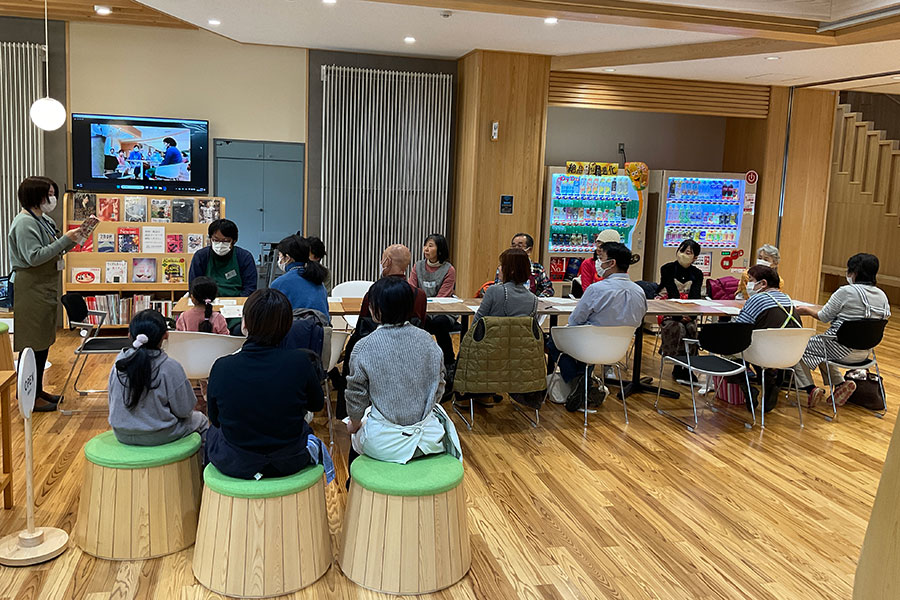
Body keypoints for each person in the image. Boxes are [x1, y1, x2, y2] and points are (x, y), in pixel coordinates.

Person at [206, 289, 326, 479]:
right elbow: (316, 404)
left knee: (212, 432)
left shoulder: (222, 366)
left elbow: (215, 418)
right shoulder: (300, 362)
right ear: (287, 326)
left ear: (245, 323)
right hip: (290, 459)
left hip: (237, 462)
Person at [346, 276, 459, 465]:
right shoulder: (428, 341)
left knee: (355, 437)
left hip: (384, 443)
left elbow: (356, 396)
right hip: (430, 439)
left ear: (375, 309)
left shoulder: (364, 346)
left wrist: (354, 424)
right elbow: (439, 385)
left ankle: (356, 488)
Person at [8, 177, 83, 411]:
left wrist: (76, 238)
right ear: (36, 196)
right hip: (30, 287)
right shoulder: (23, 223)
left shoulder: (44, 220)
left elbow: (55, 247)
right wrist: (64, 240)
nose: (52, 198)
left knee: (43, 341)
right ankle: (27, 394)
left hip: (45, 284)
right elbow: (34, 256)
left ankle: (38, 390)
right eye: (48, 194)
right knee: (31, 343)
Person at [546, 242, 646, 410]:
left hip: (588, 346)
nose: (598, 263)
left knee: (552, 342)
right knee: (584, 346)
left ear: (611, 263)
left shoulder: (597, 289)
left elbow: (575, 320)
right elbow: (639, 320)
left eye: (601, 259)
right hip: (617, 350)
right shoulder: (639, 291)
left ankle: (581, 382)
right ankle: (586, 385)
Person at [792, 253, 891, 408]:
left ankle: (810, 389)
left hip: (840, 347)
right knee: (821, 347)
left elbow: (824, 316)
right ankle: (840, 385)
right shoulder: (882, 296)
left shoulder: (846, 291)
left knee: (796, 347)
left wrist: (806, 309)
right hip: (866, 352)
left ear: (855, 272)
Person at [108, 309, 209, 449]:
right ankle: (202, 466)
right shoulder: (170, 367)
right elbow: (185, 410)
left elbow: (112, 400)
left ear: (130, 335)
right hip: (159, 434)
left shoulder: (118, 364)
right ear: (165, 335)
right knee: (202, 420)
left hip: (121, 433)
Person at [732, 265, 800, 412]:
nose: (749, 284)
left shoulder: (757, 299)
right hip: (789, 355)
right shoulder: (788, 299)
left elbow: (739, 328)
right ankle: (770, 384)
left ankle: (749, 388)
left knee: (730, 351)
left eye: (751, 280)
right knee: (761, 345)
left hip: (763, 353)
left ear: (763, 283)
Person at [189, 219, 257, 334]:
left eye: (225, 241)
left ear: (234, 241)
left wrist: (237, 303)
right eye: (216, 240)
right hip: (206, 306)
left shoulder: (244, 257)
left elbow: (250, 288)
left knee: (238, 331)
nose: (220, 245)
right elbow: (193, 286)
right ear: (210, 239)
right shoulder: (201, 256)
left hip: (236, 310)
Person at [658, 239, 704, 383]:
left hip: (688, 310)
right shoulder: (667, 269)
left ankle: (689, 366)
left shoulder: (697, 273)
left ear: (695, 257)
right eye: (682, 250)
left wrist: (690, 316)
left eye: (688, 252)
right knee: (678, 327)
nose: (683, 254)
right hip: (668, 309)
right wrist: (679, 316)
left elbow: (695, 296)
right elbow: (672, 293)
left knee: (691, 327)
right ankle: (677, 363)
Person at [409, 233, 457, 365]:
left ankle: (449, 362)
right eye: (425, 245)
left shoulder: (449, 270)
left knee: (439, 323)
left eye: (430, 246)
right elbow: (412, 290)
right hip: (422, 310)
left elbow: (443, 296)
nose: (426, 249)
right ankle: (416, 361)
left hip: (443, 311)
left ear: (440, 249)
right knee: (414, 322)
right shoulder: (418, 266)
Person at [270, 234, 329, 319]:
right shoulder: (317, 279)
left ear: (288, 258)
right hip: (321, 330)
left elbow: (273, 317)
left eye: (280, 255)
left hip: (293, 330)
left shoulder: (279, 283)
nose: (279, 259)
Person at [475, 248, 537, 321]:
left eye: (502, 265)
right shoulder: (533, 299)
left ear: (511, 271)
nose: (499, 268)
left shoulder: (493, 291)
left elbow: (477, 321)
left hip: (493, 332)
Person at [494, 233, 553, 297]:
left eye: (519, 246)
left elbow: (548, 289)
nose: (515, 249)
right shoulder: (504, 267)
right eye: (513, 246)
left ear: (529, 250)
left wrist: (536, 299)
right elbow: (498, 288)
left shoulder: (537, 268)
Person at [577, 229, 622, 295]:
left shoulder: (620, 265)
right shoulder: (588, 264)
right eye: (598, 242)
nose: (599, 246)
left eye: (603, 244)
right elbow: (587, 291)